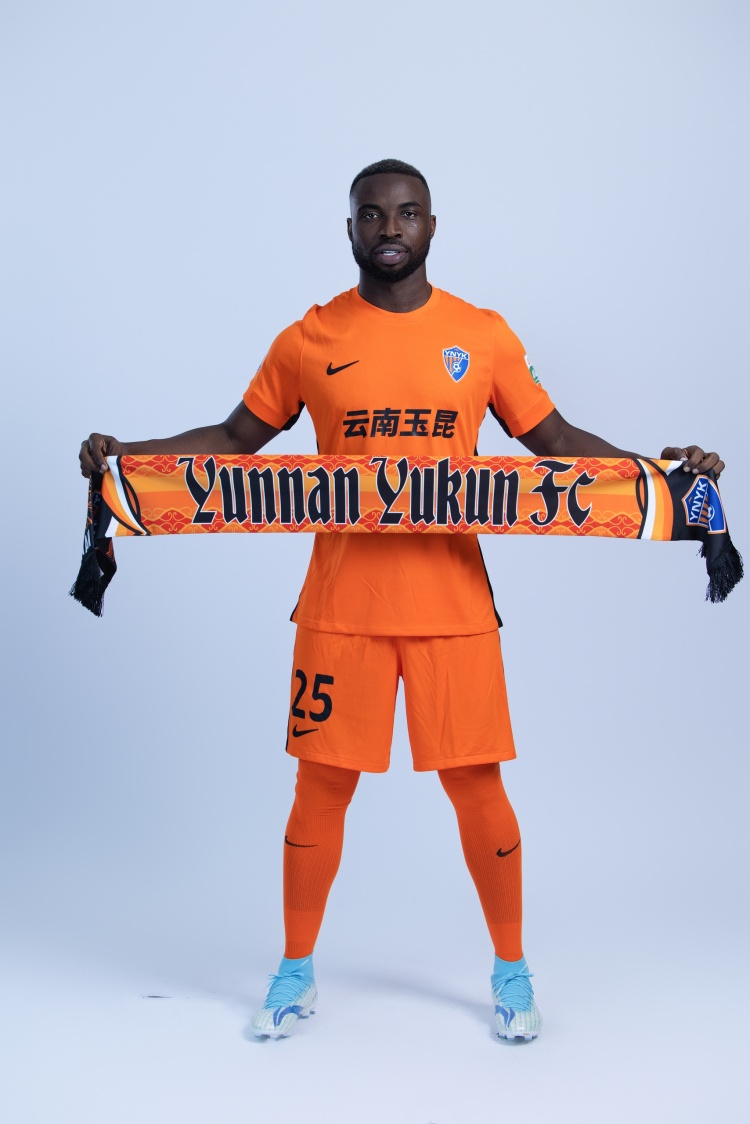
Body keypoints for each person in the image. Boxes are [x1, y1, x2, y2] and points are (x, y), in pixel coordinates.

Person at [79, 158, 725, 1041]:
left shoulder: (480, 335)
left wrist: (661, 473)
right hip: (340, 607)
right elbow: (234, 439)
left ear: (431, 226)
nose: (391, 228)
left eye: (408, 213)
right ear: (349, 229)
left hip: (452, 606)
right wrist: (130, 455)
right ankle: (295, 973)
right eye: (373, 214)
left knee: (477, 788)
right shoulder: (308, 338)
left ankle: (513, 973)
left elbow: (556, 441)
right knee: (320, 789)